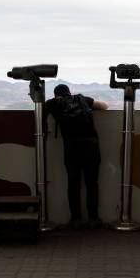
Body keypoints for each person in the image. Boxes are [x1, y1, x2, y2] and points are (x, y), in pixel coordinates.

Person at [45, 84, 108, 229]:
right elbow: (104, 106)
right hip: (90, 146)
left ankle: (76, 220)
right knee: (92, 183)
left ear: (56, 95)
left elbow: (41, 107)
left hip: (72, 148)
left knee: (73, 184)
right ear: (69, 92)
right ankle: (93, 219)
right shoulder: (82, 99)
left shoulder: (53, 103)